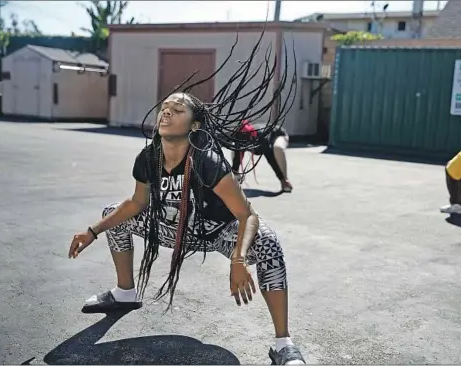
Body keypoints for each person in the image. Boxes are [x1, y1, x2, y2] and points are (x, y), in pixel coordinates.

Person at [67, 29, 306, 365]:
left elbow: (247, 215)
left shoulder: (206, 161)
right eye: (165, 108)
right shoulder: (147, 158)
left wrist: (238, 259)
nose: (166, 113)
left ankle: (283, 345)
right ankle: (125, 292)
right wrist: (92, 231)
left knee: (267, 242)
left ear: (194, 126)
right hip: (172, 230)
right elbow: (136, 204)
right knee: (113, 213)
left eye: (177, 110)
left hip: (216, 234)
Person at [231, 120, 293, 192]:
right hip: (260, 138)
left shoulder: (261, 137)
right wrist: (234, 173)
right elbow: (237, 155)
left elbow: (270, 158)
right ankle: (236, 176)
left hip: (279, 135)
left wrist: (281, 178)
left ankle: (285, 180)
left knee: (278, 148)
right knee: (233, 147)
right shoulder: (240, 136)